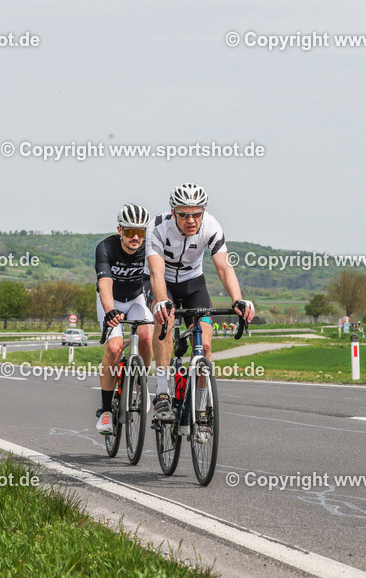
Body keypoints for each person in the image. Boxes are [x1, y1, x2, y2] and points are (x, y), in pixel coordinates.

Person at [147, 182, 255, 423]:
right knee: (165, 316)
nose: (191, 219)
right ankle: (163, 391)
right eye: (184, 214)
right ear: (173, 212)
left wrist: (237, 300)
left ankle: (203, 405)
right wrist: (162, 301)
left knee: (205, 347)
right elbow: (155, 272)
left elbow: (224, 267)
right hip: (161, 281)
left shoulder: (211, 226)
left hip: (193, 283)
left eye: (197, 213)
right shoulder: (156, 227)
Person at [94, 203, 154, 435]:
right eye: (130, 232)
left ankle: (140, 382)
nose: (136, 237)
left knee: (147, 336)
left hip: (136, 298)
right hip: (111, 300)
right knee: (114, 347)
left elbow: (154, 279)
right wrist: (110, 310)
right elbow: (105, 283)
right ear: (120, 230)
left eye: (141, 232)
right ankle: (107, 409)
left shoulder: (150, 249)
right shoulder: (106, 248)